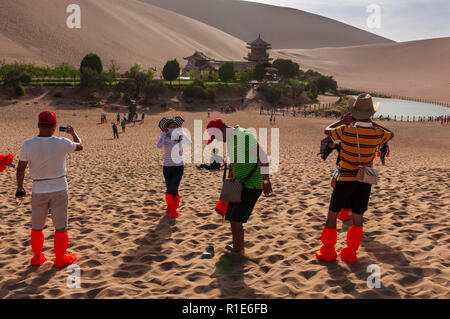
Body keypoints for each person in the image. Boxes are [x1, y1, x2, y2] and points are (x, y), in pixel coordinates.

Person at [316, 94, 394, 263]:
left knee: (332, 215)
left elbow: (327, 131)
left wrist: (342, 122)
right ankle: (350, 253)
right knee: (358, 217)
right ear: (371, 114)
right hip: (364, 180)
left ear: (354, 112)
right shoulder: (377, 133)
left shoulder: (345, 130)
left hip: (345, 178)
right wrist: (372, 124)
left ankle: (328, 250)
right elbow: (391, 134)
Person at [16, 111, 83, 268]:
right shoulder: (61, 142)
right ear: (54, 127)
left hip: (38, 188)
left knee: (37, 225)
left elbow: (20, 169)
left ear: (39, 125)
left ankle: (38, 257)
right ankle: (60, 258)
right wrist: (73, 133)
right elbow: (80, 146)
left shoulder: (28, 144)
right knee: (60, 226)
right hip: (59, 187)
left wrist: (20, 187)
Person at [206, 118, 273, 256]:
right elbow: (233, 164)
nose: (218, 140)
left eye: (216, 136)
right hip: (238, 185)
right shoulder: (230, 140)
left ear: (221, 129)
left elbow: (264, 158)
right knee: (231, 218)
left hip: (252, 184)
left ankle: (238, 252)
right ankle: (238, 245)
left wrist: (266, 182)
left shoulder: (243, 135)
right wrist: (229, 186)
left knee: (236, 220)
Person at [157, 117, 192, 218]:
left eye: (174, 126)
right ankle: (170, 207)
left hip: (178, 166)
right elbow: (159, 146)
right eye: (170, 126)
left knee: (174, 188)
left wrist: (182, 132)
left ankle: (173, 209)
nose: (172, 128)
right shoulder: (165, 136)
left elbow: (189, 143)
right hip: (167, 166)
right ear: (167, 127)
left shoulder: (181, 136)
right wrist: (163, 134)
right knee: (169, 188)